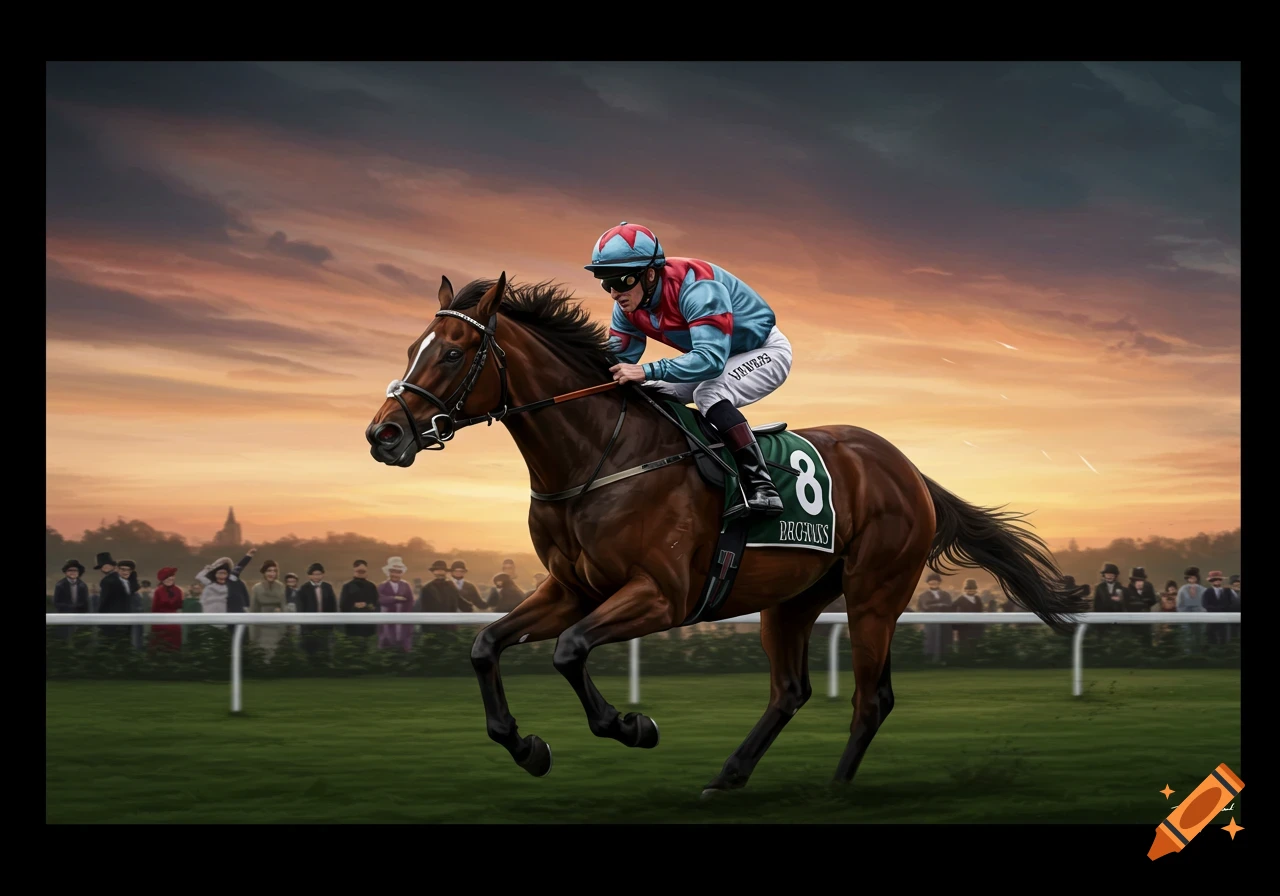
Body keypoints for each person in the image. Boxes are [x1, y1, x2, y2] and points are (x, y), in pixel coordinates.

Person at [589, 222, 791, 518]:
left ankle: (763, 487)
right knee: (654, 394)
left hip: (763, 351)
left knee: (709, 392)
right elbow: (615, 362)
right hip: (715, 358)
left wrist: (646, 370)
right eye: (606, 283)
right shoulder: (628, 307)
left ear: (648, 274)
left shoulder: (698, 287)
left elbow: (711, 361)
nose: (614, 293)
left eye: (621, 281)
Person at [150, 567, 184, 651]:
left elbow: (179, 605)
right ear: (162, 580)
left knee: (174, 645)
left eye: (172, 576)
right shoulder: (158, 591)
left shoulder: (178, 590)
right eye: (167, 577)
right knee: (160, 645)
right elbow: (154, 608)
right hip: (160, 622)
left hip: (174, 622)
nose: (170, 578)